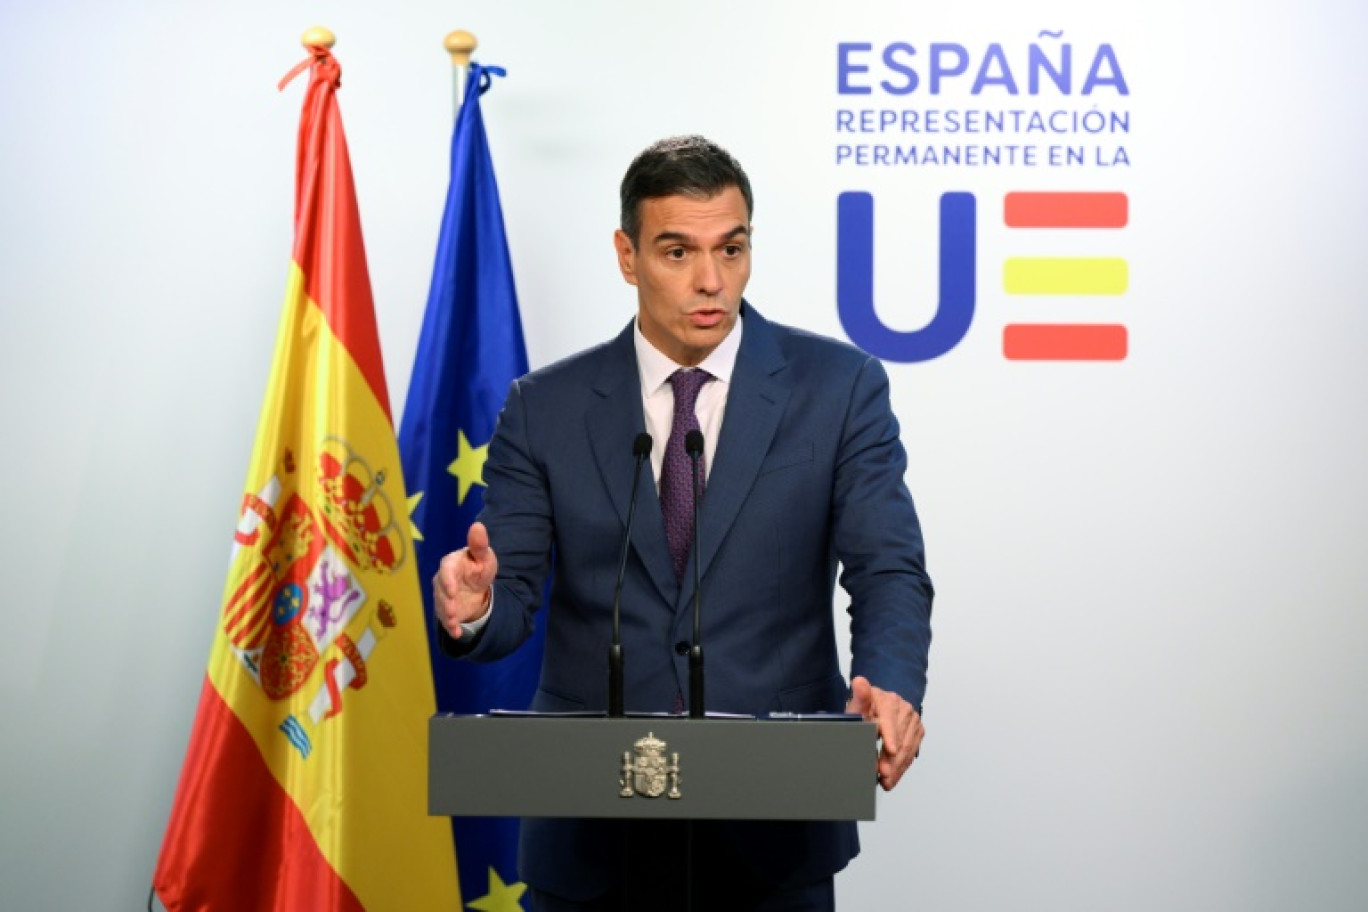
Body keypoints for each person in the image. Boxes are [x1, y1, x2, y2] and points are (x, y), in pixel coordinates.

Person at [434, 135, 933, 911]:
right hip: (590, 833)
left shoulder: (839, 389)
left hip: (774, 828)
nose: (711, 281)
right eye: (677, 252)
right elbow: (514, 597)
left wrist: (893, 685)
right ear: (627, 256)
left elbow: (888, 568)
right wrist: (480, 606)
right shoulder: (545, 408)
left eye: (731, 249)